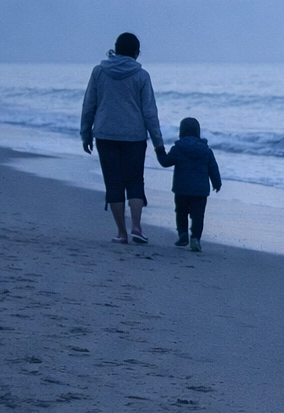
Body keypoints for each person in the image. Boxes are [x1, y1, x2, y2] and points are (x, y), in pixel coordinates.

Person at [80, 32, 165, 244]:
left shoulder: (99, 72)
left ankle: (122, 233)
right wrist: (158, 144)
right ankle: (136, 226)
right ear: (136, 53)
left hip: (105, 135)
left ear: (115, 49)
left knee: (113, 183)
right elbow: (150, 113)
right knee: (135, 181)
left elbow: (89, 104)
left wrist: (85, 133)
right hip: (134, 137)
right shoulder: (142, 76)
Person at [155, 117, 222, 251]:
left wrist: (159, 149)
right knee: (198, 215)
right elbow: (213, 168)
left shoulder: (178, 148)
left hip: (181, 189)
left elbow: (165, 162)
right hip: (200, 190)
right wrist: (217, 183)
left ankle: (183, 235)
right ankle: (195, 238)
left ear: (181, 131)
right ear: (198, 131)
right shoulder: (206, 150)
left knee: (181, 212)